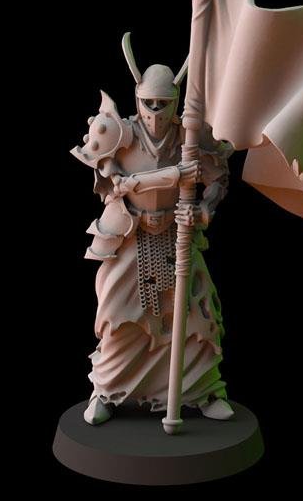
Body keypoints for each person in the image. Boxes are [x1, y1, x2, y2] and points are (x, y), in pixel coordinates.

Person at [71, 53, 234, 425]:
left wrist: (203, 208)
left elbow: (219, 179)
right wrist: (175, 175)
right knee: (117, 318)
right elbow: (118, 185)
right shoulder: (117, 132)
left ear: (176, 102)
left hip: (178, 235)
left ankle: (203, 390)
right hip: (130, 236)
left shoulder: (191, 135)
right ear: (137, 98)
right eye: (149, 102)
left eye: (164, 103)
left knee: (195, 317)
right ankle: (107, 391)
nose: (156, 111)